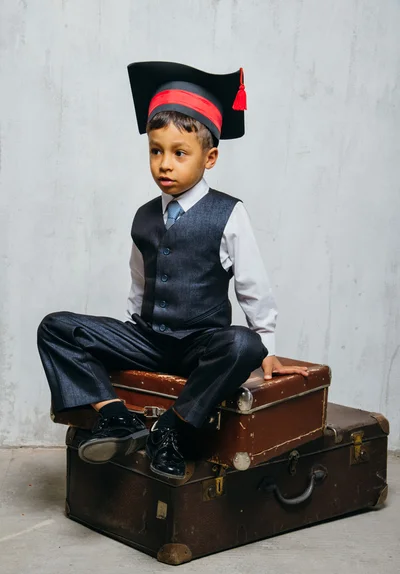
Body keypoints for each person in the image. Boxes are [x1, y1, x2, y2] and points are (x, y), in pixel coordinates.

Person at [37, 61, 308, 480]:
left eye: (179, 153)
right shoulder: (144, 216)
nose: (165, 164)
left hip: (200, 344)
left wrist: (267, 347)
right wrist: (128, 336)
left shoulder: (228, 213)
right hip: (148, 338)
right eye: (156, 150)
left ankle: (172, 428)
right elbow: (140, 278)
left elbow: (253, 285)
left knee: (244, 346)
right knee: (55, 327)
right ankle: (117, 417)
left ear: (209, 157)